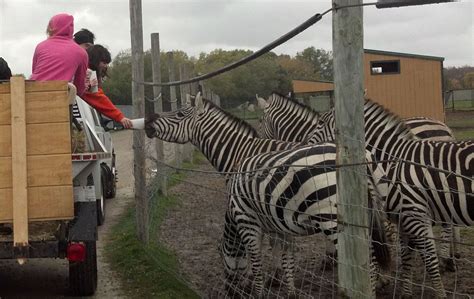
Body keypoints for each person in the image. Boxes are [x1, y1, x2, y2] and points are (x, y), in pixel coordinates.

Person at [30, 13, 88, 96]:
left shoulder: (40, 46)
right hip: (59, 97)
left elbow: (34, 71)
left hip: (33, 93)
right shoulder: (81, 52)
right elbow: (79, 86)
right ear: (71, 28)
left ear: (51, 28)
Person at [82, 44, 132, 129]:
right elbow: (98, 97)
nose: (105, 66)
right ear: (95, 61)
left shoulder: (84, 70)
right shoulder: (89, 74)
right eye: (104, 62)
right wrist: (120, 117)